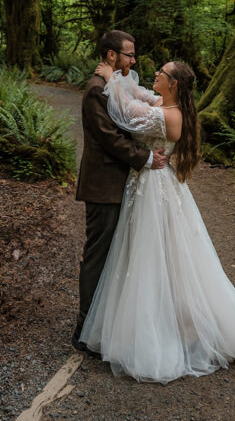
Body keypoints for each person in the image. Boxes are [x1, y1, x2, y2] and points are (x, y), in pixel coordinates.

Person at [79, 60, 235, 383]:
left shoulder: (169, 117)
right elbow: (138, 94)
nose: (155, 74)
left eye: (162, 73)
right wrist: (122, 79)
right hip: (146, 188)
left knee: (159, 256)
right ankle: (158, 319)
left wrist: (108, 78)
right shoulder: (162, 103)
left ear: (174, 85)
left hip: (156, 192)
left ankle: (164, 329)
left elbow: (126, 111)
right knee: (146, 256)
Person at [72, 30, 167, 352]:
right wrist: (147, 157)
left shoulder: (117, 84)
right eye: (128, 54)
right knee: (98, 253)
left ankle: (105, 323)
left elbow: (130, 114)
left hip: (121, 182)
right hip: (104, 185)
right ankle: (84, 328)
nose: (133, 59)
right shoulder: (96, 90)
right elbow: (110, 137)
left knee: (116, 253)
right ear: (110, 55)